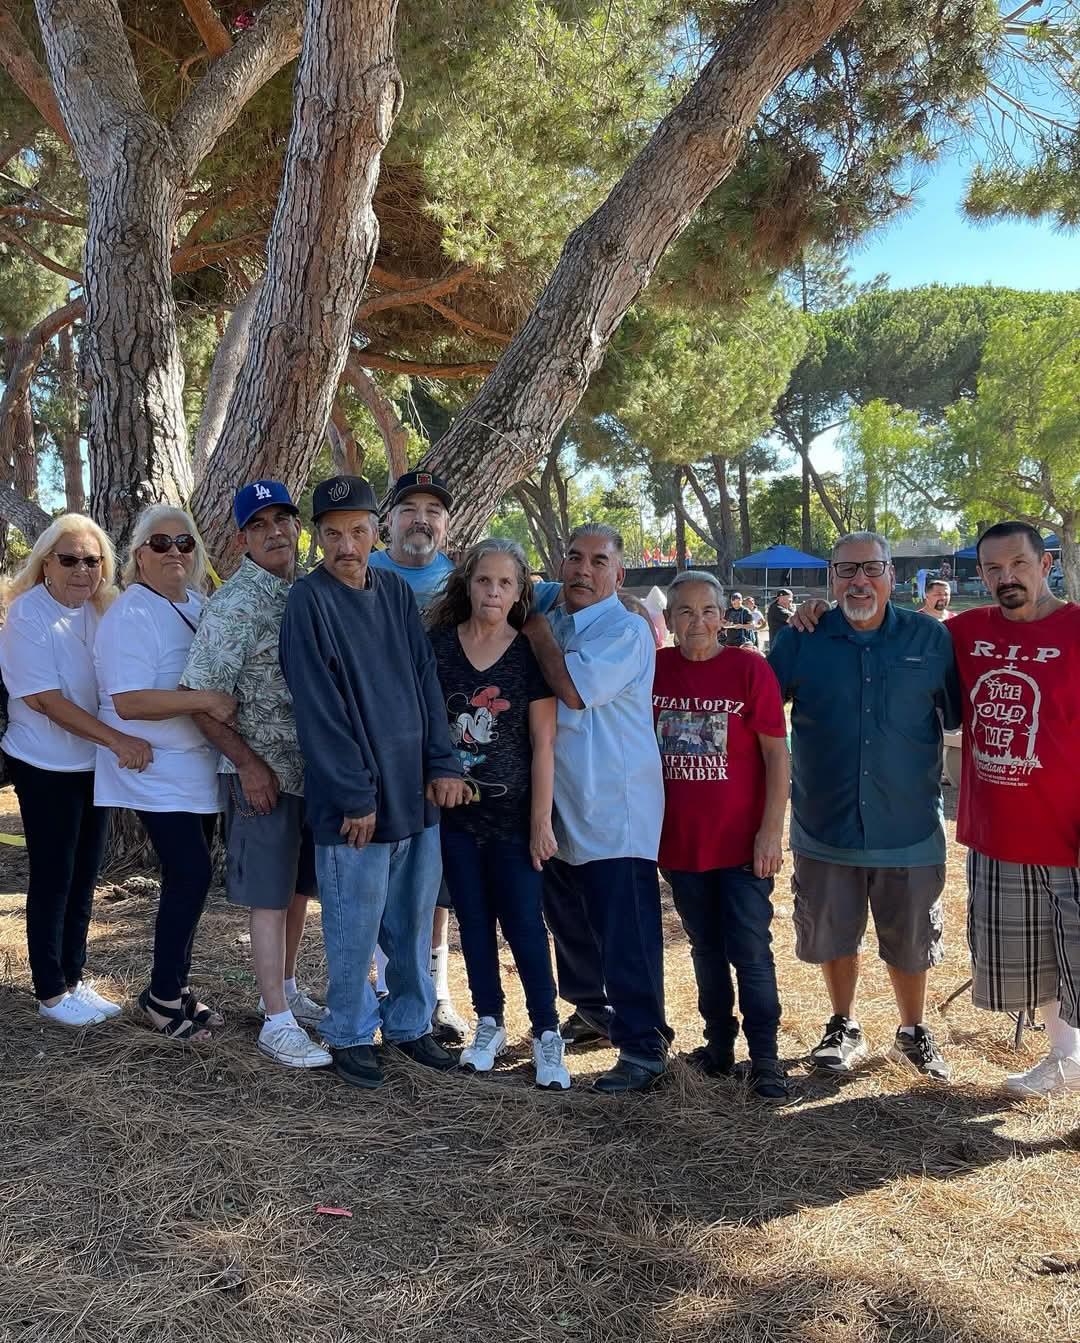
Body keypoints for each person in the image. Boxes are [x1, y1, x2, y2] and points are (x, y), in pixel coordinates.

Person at [279, 475, 473, 1090]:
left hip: (414, 790)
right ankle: (350, 1031)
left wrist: (442, 764)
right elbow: (319, 708)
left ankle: (410, 1022)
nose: (347, 545)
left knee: (412, 921)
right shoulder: (308, 602)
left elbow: (424, 683)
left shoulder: (391, 591)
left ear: (376, 532)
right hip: (354, 803)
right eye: (333, 533)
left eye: (358, 531)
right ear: (318, 538)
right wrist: (353, 795)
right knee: (353, 925)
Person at [369, 470, 560, 1041]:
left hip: (458, 787)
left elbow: (562, 587)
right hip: (385, 761)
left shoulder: (469, 582)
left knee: (442, 895)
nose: (420, 519)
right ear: (388, 522)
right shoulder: (361, 572)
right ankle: (385, 991)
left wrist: (632, 597)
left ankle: (439, 997)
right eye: (409, 509)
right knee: (385, 885)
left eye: (433, 509)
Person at [768, 532, 960, 1082]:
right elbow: (759, 716)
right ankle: (842, 1023)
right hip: (825, 823)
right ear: (831, 578)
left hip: (909, 825)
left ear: (892, 576)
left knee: (912, 938)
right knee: (832, 932)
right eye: (846, 569)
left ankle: (913, 1030)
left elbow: (959, 720)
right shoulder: (801, 639)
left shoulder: (929, 638)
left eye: (871, 569)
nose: (859, 581)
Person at [180, 481, 330, 1070]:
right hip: (259, 775)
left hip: (307, 773)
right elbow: (197, 697)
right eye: (260, 524)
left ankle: (288, 990)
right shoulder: (236, 604)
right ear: (242, 538)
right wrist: (247, 765)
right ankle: (275, 1021)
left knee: (295, 893)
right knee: (267, 898)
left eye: (284, 520)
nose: (275, 532)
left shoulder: (307, 594)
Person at [521, 523, 672, 1094]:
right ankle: (591, 1011)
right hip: (561, 802)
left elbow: (573, 689)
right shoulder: (556, 610)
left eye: (598, 562)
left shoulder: (626, 630)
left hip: (616, 805)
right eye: (574, 557)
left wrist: (534, 629)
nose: (583, 570)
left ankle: (643, 1045)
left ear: (619, 574)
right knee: (571, 921)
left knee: (625, 929)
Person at [426, 539, 570, 1089]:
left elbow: (544, 742)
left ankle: (546, 1030)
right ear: (468, 584)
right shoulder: (439, 646)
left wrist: (541, 820)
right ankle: (489, 1021)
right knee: (474, 924)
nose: (493, 592)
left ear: (519, 591)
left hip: (513, 819)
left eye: (505, 583)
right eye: (484, 581)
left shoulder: (528, 654)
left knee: (526, 927)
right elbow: (428, 725)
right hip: (456, 818)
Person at [0, 515, 150, 1028]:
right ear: (46, 564)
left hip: (91, 764)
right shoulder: (27, 615)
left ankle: (74, 978)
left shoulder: (102, 611)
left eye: (92, 560)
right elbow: (45, 700)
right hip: (44, 765)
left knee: (85, 873)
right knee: (54, 876)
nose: (82, 570)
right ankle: (50, 992)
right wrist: (117, 740)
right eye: (69, 559)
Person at [94, 506, 236, 1041]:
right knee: (193, 872)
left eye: (184, 542)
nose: (174, 552)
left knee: (190, 879)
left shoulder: (196, 605)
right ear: (138, 556)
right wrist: (208, 700)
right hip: (153, 769)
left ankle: (175, 986)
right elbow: (129, 702)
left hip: (195, 769)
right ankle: (159, 996)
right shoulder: (133, 613)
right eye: (160, 544)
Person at [948, 522, 1080, 1097]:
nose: (1007, 578)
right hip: (1000, 828)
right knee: (1031, 958)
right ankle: (1065, 1057)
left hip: (1069, 827)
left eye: (1018, 564)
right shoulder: (965, 632)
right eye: (993, 569)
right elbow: (888, 630)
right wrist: (816, 612)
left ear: (1044, 562)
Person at [654, 572, 791, 1101]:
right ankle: (718, 1045)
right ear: (669, 621)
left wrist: (770, 832)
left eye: (708, 610)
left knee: (750, 950)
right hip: (681, 845)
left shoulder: (748, 670)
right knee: (704, 948)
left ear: (724, 615)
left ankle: (766, 1058)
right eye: (684, 612)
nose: (697, 622)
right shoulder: (656, 670)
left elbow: (777, 756)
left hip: (742, 846)